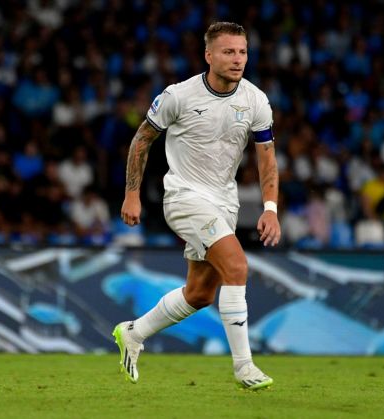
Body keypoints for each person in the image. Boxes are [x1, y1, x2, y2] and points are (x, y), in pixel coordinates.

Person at [112, 22, 281, 390]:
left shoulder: (255, 100)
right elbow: (142, 140)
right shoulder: (179, 96)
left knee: (200, 294)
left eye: (242, 52)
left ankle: (134, 333)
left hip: (225, 202)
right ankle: (244, 367)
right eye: (228, 52)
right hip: (184, 197)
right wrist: (132, 193)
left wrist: (271, 207)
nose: (238, 59)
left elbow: (267, 158)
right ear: (209, 55)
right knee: (237, 266)